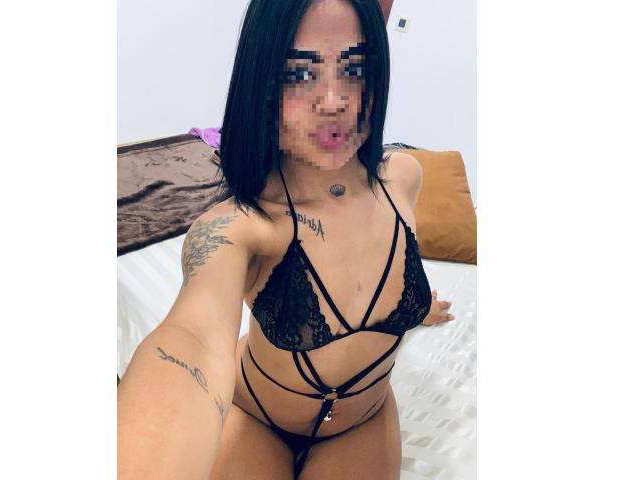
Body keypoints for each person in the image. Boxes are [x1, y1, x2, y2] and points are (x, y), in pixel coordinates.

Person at [117, 0, 454, 479]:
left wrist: (419, 307)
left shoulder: (405, 176)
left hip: (364, 421)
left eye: (355, 69)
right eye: (300, 74)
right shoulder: (241, 227)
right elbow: (192, 338)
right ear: (263, 85)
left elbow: (383, 265)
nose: (334, 101)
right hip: (255, 415)